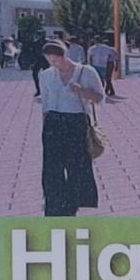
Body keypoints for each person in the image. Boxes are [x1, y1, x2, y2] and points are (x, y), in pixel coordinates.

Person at [37, 41, 105, 217]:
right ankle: (53, 206)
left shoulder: (86, 72)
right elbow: (45, 102)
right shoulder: (45, 75)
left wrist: (82, 91)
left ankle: (72, 204)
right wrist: (45, 125)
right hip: (53, 123)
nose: (54, 63)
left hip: (76, 122)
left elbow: (99, 98)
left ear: (65, 55)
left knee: (77, 166)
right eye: (50, 60)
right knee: (52, 167)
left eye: (57, 59)